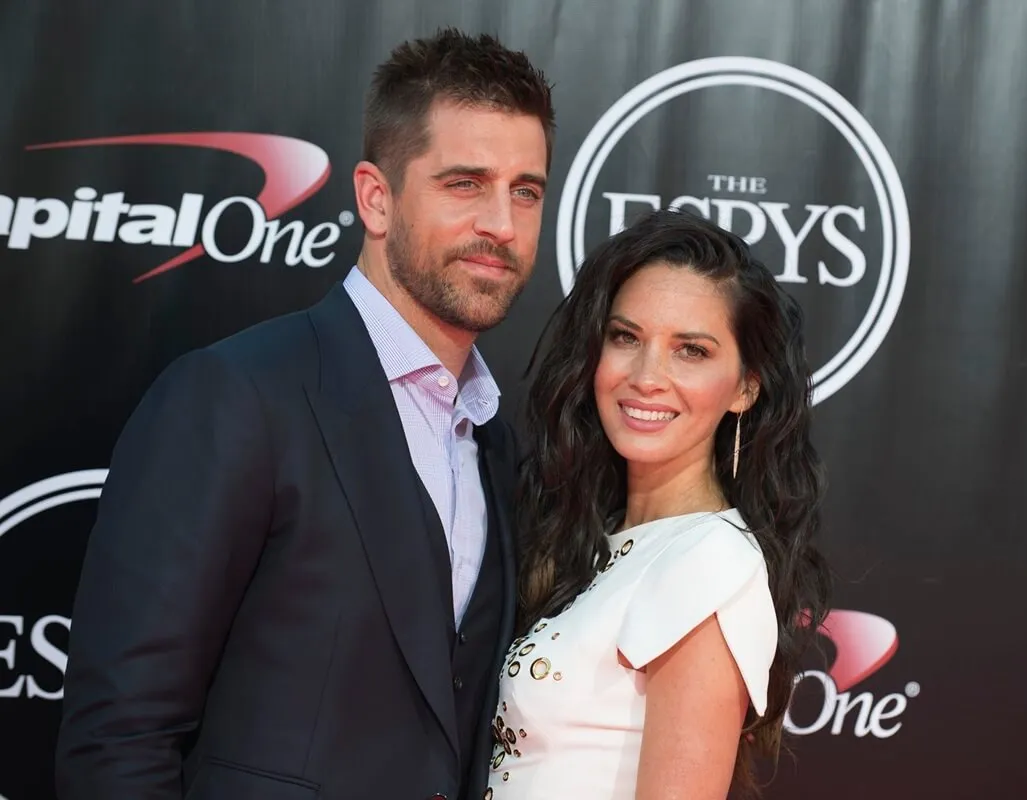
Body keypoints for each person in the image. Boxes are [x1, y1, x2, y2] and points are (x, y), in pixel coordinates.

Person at [55, 29, 554, 800]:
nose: (503, 223)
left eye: (525, 190)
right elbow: (119, 737)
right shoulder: (235, 397)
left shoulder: (494, 439)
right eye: (465, 183)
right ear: (375, 198)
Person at [486, 208, 831, 799]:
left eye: (690, 351)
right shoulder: (600, 536)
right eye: (626, 337)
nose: (647, 376)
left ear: (746, 386)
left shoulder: (710, 563)